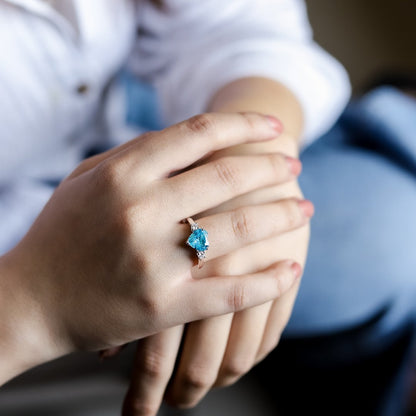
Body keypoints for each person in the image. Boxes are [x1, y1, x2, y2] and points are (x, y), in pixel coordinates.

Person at [0, 0, 349, 415]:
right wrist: (35, 306)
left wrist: (247, 157)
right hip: (31, 319)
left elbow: (241, 23)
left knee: (387, 218)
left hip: (130, 147)